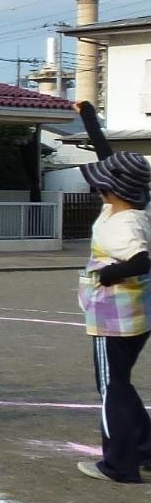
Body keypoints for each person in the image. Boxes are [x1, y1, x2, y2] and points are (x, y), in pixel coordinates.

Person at [77, 151, 150, 483]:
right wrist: (89, 115)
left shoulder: (122, 226)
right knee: (119, 382)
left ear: (115, 190)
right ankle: (145, 448)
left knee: (110, 388)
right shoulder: (131, 211)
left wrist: (110, 275)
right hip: (136, 314)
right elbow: (109, 156)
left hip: (114, 317)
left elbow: (141, 261)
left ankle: (119, 464)